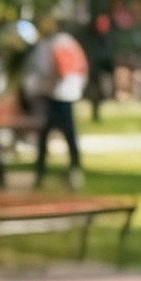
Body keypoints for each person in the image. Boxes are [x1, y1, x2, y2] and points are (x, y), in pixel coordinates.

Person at [22, 20, 89, 190]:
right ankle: (73, 168)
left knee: (46, 134)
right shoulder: (71, 43)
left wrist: (43, 86)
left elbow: (53, 69)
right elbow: (82, 67)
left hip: (54, 95)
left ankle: (42, 170)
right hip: (68, 94)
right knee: (68, 134)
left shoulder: (51, 45)